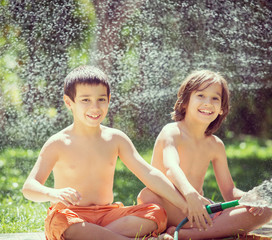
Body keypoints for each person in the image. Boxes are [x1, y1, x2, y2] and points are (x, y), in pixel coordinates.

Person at [22, 65, 189, 240]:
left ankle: (96, 236)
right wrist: (53, 193)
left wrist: (184, 204)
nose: (95, 107)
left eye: (101, 99)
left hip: (107, 216)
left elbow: (148, 173)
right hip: (72, 215)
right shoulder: (58, 143)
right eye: (85, 100)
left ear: (109, 99)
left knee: (156, 213)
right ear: (69, 102)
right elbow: (29, 188)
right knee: (60, 222)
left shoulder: (115, 139)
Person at [137, 70, 272, 240]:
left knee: (264, 211)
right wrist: (190, 195)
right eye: (201, 95)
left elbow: (229, 191)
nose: (208, 103)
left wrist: (248, 198)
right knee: (148, 196)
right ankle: (204, 233)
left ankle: (188, 234)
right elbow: (171, 168)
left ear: (222, 109)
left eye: (215, 98)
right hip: (168, 207)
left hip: (198, 213)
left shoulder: (215, 145)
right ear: (185, 102)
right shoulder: (172, 132)